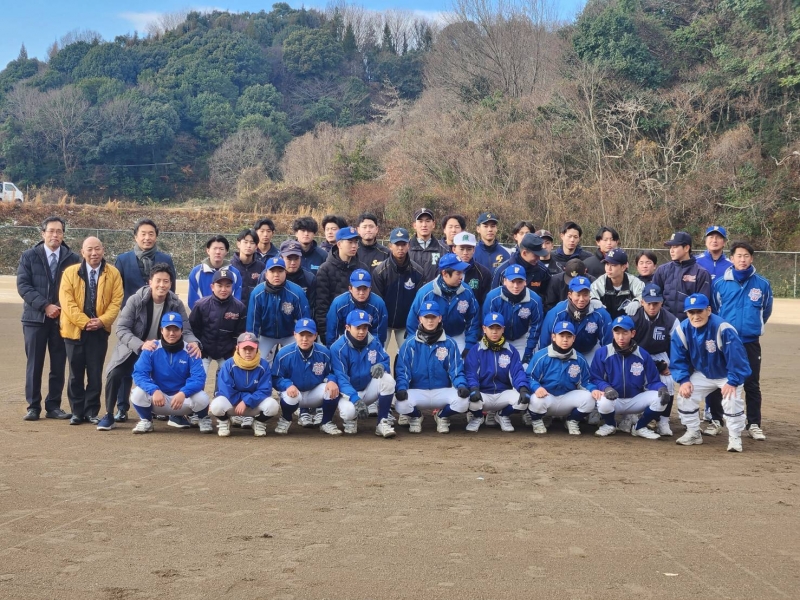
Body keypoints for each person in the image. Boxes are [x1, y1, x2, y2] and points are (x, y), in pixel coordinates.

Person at [99, 263, 201, 431]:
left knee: (177, 371)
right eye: (158, 281)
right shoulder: (135, 300)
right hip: (134, 347)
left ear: (171, 283)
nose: (162, 285)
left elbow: (186, 330)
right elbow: (121, 329)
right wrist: (141, 345)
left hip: (162, 350)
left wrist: (194, 343)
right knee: (115, 373)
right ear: (150, 282)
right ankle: (110, 414)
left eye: (166, 281)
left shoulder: (175, 303)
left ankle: (175, 414)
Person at [17, 216, 80, 421]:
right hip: (34, 319)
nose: (55, 235)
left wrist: (61, 308)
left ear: (63, 234)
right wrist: (45, 306)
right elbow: (23, 286)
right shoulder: (29, 256)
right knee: (34, 364)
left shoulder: (73, 259)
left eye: (59, 231)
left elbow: (76, 289)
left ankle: (53, 406)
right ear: (43, 233)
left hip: (62, 320)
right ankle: (33, 406)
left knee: (58, 364)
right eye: (51, 231)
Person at [670, 294, 751, 452]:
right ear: (686, 313)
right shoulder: (682, 329)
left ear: (708, 310)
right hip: (703, 373)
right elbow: (677, 358)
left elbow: (738, 359)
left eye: (699, 311)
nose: (695, 316)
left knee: (731, 399)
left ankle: (735, 437)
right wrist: (684, 380)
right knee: (685, 395)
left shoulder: (723, 328)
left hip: (727, 374)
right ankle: (693, 433)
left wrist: (733, 381)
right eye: (691, 312)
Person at [59, 237, 123, 425]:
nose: (94, 253)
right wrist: (85, 322)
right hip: (74, 331)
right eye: (89, 249)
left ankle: (92, 411)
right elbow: (66, 302)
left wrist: (102, 321)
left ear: (103, 250)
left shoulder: (113, 273)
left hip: (99, 332)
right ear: (82, 252)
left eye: (97, 249)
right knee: (75, 374)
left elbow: (116, 302)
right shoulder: (70, 273)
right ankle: (77, 412)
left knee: (95, 374)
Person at [712, 241, 773, 441]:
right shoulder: (719, 284)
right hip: (726, 341)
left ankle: (754, 424)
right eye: (739, 255)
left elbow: (765, 310)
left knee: (752, 383)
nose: (743, 259)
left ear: (752, 258)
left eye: (746, 256)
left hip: (750, 342)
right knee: (718, 380)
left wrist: (752, 327)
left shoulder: (762, 284)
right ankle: (715, 420)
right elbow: (715, 310)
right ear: (731, 258)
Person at [589, 315, 670, 440]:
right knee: (603, 401)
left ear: (633, 333)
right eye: (617, 333)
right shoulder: (602, 352)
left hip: (635, 399)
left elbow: (653, 381)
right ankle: (610, 425)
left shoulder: (643, 354)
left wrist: (662, 387)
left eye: (625, 333)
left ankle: (639, 427)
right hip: (613, 399)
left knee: (660, 398)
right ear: (612, 333)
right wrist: (606, 388)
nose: (621, 337)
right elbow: (595, 378)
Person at [395, 302, 471, 434]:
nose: (430, 321)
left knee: (464, 401)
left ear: (439, 318)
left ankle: (442, 416)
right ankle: (416, 416)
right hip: (418, 391)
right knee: (400, 404)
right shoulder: (409, 344)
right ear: (420, 319)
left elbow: (456, 370)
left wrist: (461, 385)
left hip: (441, 391)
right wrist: (401, 388)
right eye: (426, 317)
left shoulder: (449, 343)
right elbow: (403, 372)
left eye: (433, 317)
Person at [130, 312, 212, 434]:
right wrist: (154, 390)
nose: (172, 333)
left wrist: (183, 392)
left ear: (181, 331)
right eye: (168, 329)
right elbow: (139, 374)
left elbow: (199, 378)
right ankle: (146, 420)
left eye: (176, 329)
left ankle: (203, 418)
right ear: (161, 330)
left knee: (202, 397)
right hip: (159, 399)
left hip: (182, 401)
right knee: (137, 393)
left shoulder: (191, 350)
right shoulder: (151, 348)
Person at [330, 310, 397, 437]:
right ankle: (351, 419)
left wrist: (382, 365)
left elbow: (385, 360)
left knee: (388, 380)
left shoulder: (374, 342)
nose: (361, 331)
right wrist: (355, 398)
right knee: (349, 412)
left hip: (367, 388)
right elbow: (341, 378)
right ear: (348, 327)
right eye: (358, 327)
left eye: (365, 328)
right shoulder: (337, 348)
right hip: (347, 394)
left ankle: (382, 422)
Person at [272, 319, 342, 435]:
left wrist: (331, 380)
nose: (305, 339)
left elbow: (333, 371)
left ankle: (326, 422)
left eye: (309, 335)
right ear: (295, 335)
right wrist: (287, 385)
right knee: (290, 397)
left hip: (314, 392)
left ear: (315, 336)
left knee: (332, 389)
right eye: (301, 335)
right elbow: (275, 377)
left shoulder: (324, 352)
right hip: (294, 393)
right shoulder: (284, 353)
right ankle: (286, 418)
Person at [525, 321, 597, 435]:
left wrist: (593, 389)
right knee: (535, 399)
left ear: (574, 338)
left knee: (589, 398)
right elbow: (529, 377)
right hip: (547, 397)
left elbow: (585, 382)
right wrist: (536, 387)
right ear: (553, 337)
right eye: (561, 336)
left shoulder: (580, 359)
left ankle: (571, 420)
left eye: (569, 336)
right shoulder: (541, 356)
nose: (565, 340)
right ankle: (537, 420)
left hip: (567, 399)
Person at [463, 312, 531, 433]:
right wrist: (473, 388)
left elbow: (517, 372)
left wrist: (523, 388)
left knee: (523, 402)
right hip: (483, 393)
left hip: (503, 393)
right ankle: (478, 417)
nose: (494, 332)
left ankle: (502, 415)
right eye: (491, 328)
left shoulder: (511, 350)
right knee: (468, 399)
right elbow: (470, 373)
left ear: (503, 329)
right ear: (484, 329)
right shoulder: (475, 350)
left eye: (498, 328)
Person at [406, 253, 481, 355]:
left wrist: (470, 344)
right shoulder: (426, 292)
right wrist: (414, 344)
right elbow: (413, 320)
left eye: (462, 272)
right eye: (458, 273)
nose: (461, 276)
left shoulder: (466, 290)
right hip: (430, 338)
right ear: (445, 273)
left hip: (458, 336)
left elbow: (473, 318)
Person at [630, 283, 679, 436]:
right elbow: (625, 343)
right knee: (633, 377)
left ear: (661, 302)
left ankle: (664, 421)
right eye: (649, 303)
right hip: (636, 354)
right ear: (642, 302)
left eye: (656, 303)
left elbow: (678, 346)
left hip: (659, 353)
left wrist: (672, 365)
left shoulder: (670, 320)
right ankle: (632, 415)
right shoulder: (633, 318)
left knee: (668, 381)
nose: (652, 307)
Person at [209, 332, 279, 437]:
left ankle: (258, 422)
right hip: (234, 405)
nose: (248, 352)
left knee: (273, 405)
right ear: (237, 348)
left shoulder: (264, 365)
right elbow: (226, 390)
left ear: (257, 349)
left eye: (251, 349)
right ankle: (224, 421)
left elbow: (265, 390)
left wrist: (246, 401)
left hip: (253, 405)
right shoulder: (228, 365)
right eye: (244, 349)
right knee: (216, 405)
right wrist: (243, 401)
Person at [188, 268, 246, 388]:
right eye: (219, 285)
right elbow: (193, 329)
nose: (223, 289)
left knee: (228, 384)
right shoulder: (200, 305)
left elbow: (240, 333)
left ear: (232, 287)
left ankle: (219, 396)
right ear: (212, 287)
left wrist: (233, 352)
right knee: (197, 382)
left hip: (226, 352)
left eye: (228, 286)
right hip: (203, 350)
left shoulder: (239, 307)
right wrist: (198, 346)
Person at [371, 227, 425, 351]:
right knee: (378, 354)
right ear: (390, 246)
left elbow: (419, 302)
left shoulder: (418, 272)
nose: (400, 248)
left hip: (406, 324)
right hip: (384, 323)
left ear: (408, 246)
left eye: (403, 244)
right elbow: (377, 303)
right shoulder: (380, 272)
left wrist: (413, 323)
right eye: (397, 244)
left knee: (408, 355)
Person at [247, 257, 311, 361]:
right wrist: (251, 343)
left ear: (285, 273)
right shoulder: (257, 293)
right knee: (256, 360)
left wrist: (303, 339)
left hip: (290, 335)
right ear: (266, 274)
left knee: (298, 359)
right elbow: (253, 323)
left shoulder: (297, 292)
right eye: (272, 271)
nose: (276, 275)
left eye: (280, 271)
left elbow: (304, 320)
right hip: (266, 335)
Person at [540, 276, 612, 365]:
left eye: (585, 295)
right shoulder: (557, 313)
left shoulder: (600, 313)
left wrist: (605, 363)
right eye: (578, 295)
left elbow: (608, 343)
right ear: (570, 295)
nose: (581, 299)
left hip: (589, 352)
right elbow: (545, 342)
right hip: (561, 354)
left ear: (590, 295)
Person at [314, 226, 368, 343]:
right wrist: (324, 332)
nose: (354, 246)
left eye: (356, 242)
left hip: (358, 327)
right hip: (334, 327)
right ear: (339, 244)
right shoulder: (325, 269)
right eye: (350, 242)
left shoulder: (362, 268)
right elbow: (321, 304)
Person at [482, 265, 544, 364]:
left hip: (521, 338)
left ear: (525, 282)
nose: (516, 286)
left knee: (523, 367)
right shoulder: (493, 297)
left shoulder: (535, 300)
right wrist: (493, 346)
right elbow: (487, 325)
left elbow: (536, 327)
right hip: (497, 337)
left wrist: (528, 350)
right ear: (505, 281)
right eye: (512, 281)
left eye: (519, 282)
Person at [114, 218, 176, 306]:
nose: (147, 238)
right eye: (143, 234)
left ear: (156, 237)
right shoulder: (123, 260)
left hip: (159, 310)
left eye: (151, 234)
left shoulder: (166, 259)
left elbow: (171, 288)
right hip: (131, 310)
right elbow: (116, 290)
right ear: (136, 237)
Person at [652, 231, 711, 321]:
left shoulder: (701, 273)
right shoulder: (662, 270)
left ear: (686, 248)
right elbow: (654, 297)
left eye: (675, 247)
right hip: (665, 323)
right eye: (670, 247)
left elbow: (703, 304)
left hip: (690, 324)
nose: (671, 251)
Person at [327, 269, 388, 348]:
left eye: (365, 289)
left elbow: (379, 334)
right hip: (345, 344)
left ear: (370, 288)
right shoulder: (338, 303)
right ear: (350, 288)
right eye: (358, 288)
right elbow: (332, 332)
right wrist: (334, 351)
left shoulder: (378, 304)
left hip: (368, 344)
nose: (361, 293)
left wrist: (374, 350)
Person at [187, 235, 242, 309]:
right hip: (202, 314)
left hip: (228, 315)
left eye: (221, 249)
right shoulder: (196, 273)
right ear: (208, 250)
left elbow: (236, 299)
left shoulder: (235, 273)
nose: (218, 252)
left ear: (226, 251)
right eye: (214, 248)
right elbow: (193, 300)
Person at [492, 233, 552, 299]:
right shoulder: (502, 271)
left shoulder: (543, 270)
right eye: (536, 255)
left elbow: (547, 297)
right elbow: (494, 297)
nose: (538, 258)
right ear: (524, 253)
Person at [589, 249, 645, 319]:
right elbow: (590, 295)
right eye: (607, 264)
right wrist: (593, 300)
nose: (609, 268)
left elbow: (644, 295)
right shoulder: (600, 282)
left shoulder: (634, 282)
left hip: (628, 322)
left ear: (623, 267)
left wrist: (637, 302)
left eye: (613, 265)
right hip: (605, 321)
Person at [408, 207, 451, 284]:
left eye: (428, 221)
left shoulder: (445, 250)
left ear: (433, 224)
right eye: (420, 221)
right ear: (414, 225)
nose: (424, 225)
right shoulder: (405, 249)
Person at [452, 231, 493, 306]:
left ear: (474, 250)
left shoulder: (483, 273)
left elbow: (485, 303)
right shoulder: (446, 271)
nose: (465, 253)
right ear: (454, 249)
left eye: (469, 249)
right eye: (461, 249)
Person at [231, 228, 266, 311]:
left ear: (256, 246)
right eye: (245, 242)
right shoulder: (230, 266)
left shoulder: (262, 267)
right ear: (238, 244)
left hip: (255, 311)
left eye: (252, 243)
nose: (248, 245)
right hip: (234, 312)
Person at [278, 240, 317, 312]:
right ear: (281, 258)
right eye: (289, 258)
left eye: (296, 258)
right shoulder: (271, 277)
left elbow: (311, 307)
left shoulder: (309, 278)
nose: (293, 263)